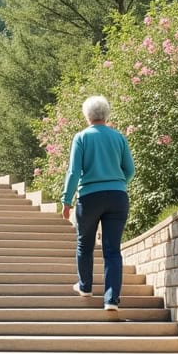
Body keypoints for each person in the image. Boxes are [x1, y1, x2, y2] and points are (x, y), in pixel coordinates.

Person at [60, 95, 135, 311]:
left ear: (87, 115)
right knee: (113, 250)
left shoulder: (82, 137)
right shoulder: (119, 137)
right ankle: (111, 300)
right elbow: (129, 170)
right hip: (117, 197)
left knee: (85, 243)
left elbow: (74, 172)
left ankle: (85, 286)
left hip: (90, 197)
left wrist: (66, 200)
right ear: (106, 114)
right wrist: (119, 184)